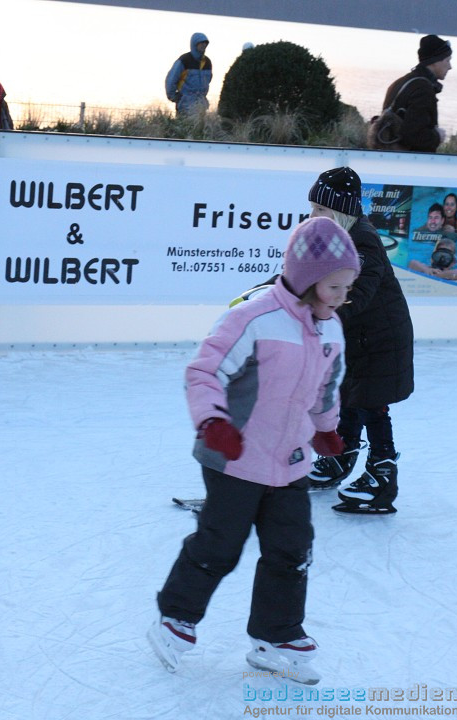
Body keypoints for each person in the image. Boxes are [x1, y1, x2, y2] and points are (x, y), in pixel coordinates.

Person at [148, 217, 360, 684]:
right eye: (335, 285)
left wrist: (325, 430)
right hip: (235, 456)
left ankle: (276, 635)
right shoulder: (254, 317)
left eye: (348, 285)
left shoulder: (332, 330)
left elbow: (327, 389)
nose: (344, 295)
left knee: (292, 549)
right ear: (308, 279)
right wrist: (213, 422)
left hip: (288, 463)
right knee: (220, 545)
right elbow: (204, 372)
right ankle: (175, 617)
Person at [303, 168, 415, 515]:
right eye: (312, 209)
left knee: (373, 405)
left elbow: (358, 292)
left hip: (381, 339)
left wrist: (318, 313)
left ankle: (382, 477)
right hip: (358, 337)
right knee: (348, 397)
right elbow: (299, 273)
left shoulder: (362, 240)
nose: (312, 218)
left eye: (320, 211)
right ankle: (339, 459)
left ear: (339, 212)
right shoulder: (331, 237)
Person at [376, 34, 452, 152]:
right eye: (447, 60)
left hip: (388, 156)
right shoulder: (423, 89)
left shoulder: (401, 82)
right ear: (435, 61)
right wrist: (438, 136)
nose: (450, 66)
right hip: (408, 163)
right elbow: (413, 136)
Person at [165, 33, 212, 116]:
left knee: (200, 128)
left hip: (201, 105)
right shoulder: (184, 60)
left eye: (205, 43)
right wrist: (174, 97)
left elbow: (208, 81)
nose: (203, 45)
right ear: (194, 44)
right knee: (184, 128)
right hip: (185, 105)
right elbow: (171, 79)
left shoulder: (207, 62)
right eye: (201, 43)